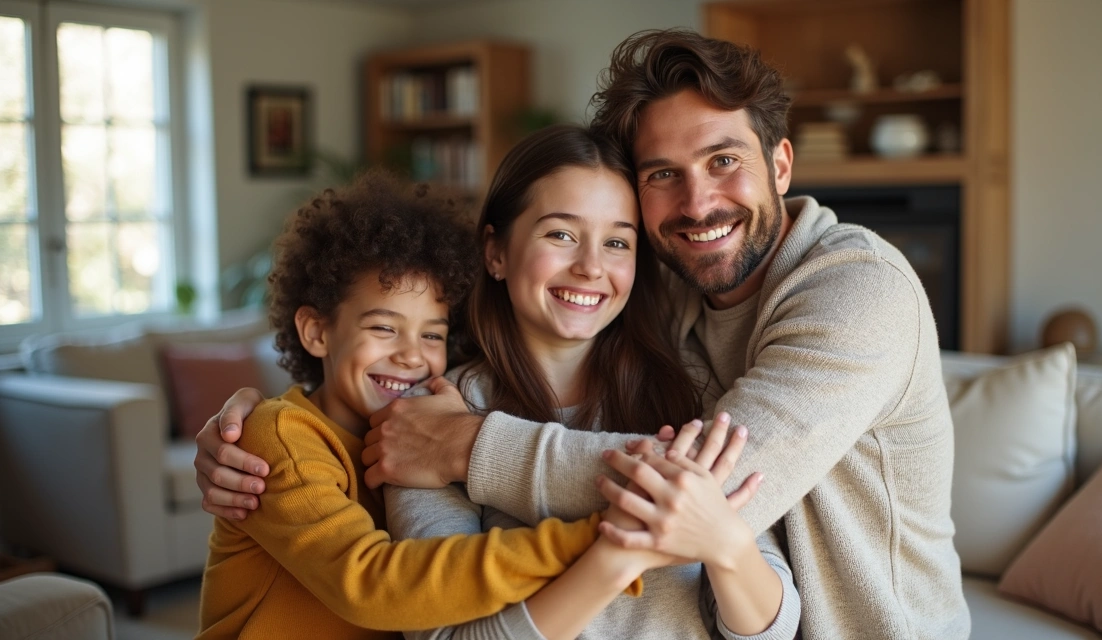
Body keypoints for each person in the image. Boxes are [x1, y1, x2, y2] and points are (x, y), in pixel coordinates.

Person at [196, 29, 970, 640]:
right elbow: (397, 347)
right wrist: (253, 421)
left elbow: (724, 504)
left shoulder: (853, 293)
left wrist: (472, 448)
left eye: (723, 160)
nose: (697, 203)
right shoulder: (673, 307)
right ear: (494, 251)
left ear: (781, 163)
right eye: (663, 174)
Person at [195, 172, 755, 639]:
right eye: (383, 328)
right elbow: (375, 587)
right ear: (316, 332)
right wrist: (603, 535)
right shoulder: (281, 439)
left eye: (432, 335)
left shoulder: (427, 416)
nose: (412, 357)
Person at [389, 124, 800, 639]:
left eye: (616, 242)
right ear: (496, 252)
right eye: (560, 234)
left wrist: (727, 544)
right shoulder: (431, 419)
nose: (590, 267)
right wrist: (618, 553)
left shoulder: (688, 386)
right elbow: (444, 635)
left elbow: (774, 627)